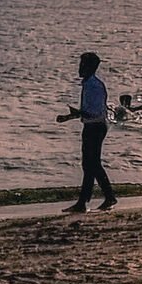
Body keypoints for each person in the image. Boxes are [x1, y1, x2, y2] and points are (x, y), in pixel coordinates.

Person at [57, 51, 117, 213]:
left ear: (91, 67)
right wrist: (72, 116)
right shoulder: (90, 84)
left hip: (95, 127)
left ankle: (99, 198)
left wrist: (76, 114)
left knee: (92, 164)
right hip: (92, 126)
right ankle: (87, 201)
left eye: (83, 65)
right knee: (90, 165)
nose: (80, 68)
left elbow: (95, 112)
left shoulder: (94, 86)